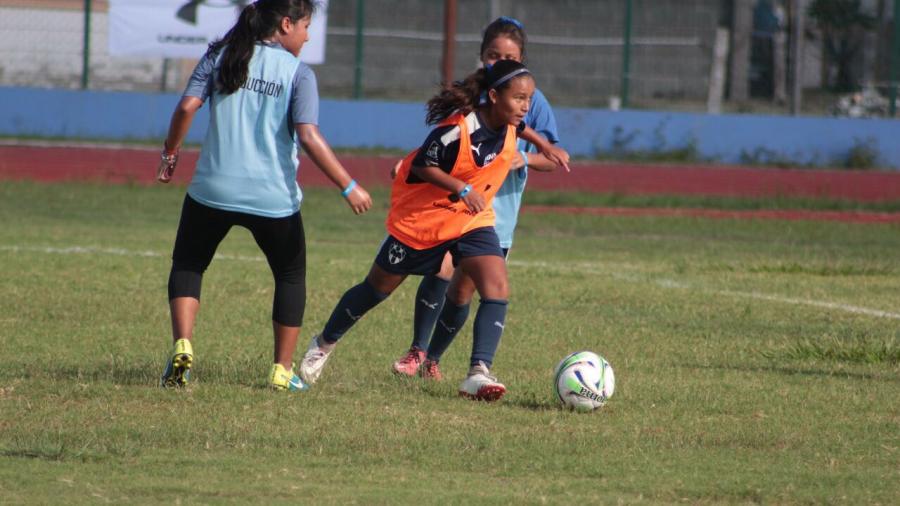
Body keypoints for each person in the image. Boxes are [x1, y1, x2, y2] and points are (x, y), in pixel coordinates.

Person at [297, 59, 569, 402]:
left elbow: (521, 127)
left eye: (528, 98)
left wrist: (544, 145)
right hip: (424, 219)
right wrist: (461, 187)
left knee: (496, 285)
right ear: (494, 96)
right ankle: (323, 344)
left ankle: (478, 372)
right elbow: (425, 163)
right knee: (375, 289)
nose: (525, 106)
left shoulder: (511, 123)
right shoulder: (458, 129)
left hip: (472, 219)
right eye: (518, 98)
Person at [156, 0, 372, 392]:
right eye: (305, 26)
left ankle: (182, 345)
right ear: (286, 24)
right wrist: (348, 184)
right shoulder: (297, 73)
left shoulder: (222, 54)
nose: (307, 35)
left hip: (212, 190)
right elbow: (308, 135)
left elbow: (187, 106)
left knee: (189, 264)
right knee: (290, 275)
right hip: (272, 199)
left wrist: (171, 153)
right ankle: (280, 370)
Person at [390, 16, 563, 380]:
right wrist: (409, 163)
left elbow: (554, 157)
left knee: (464, 290)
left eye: (508, 56)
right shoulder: (472, 93)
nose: (497, 61)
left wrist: (526, 157)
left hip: (496, 211)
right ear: (482, 54)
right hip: (452, 207)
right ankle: (416, 351)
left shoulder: (532, 99)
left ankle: (436, 359)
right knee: (440, 269)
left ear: (522, 60)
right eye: (491, 54)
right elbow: (443, 143)